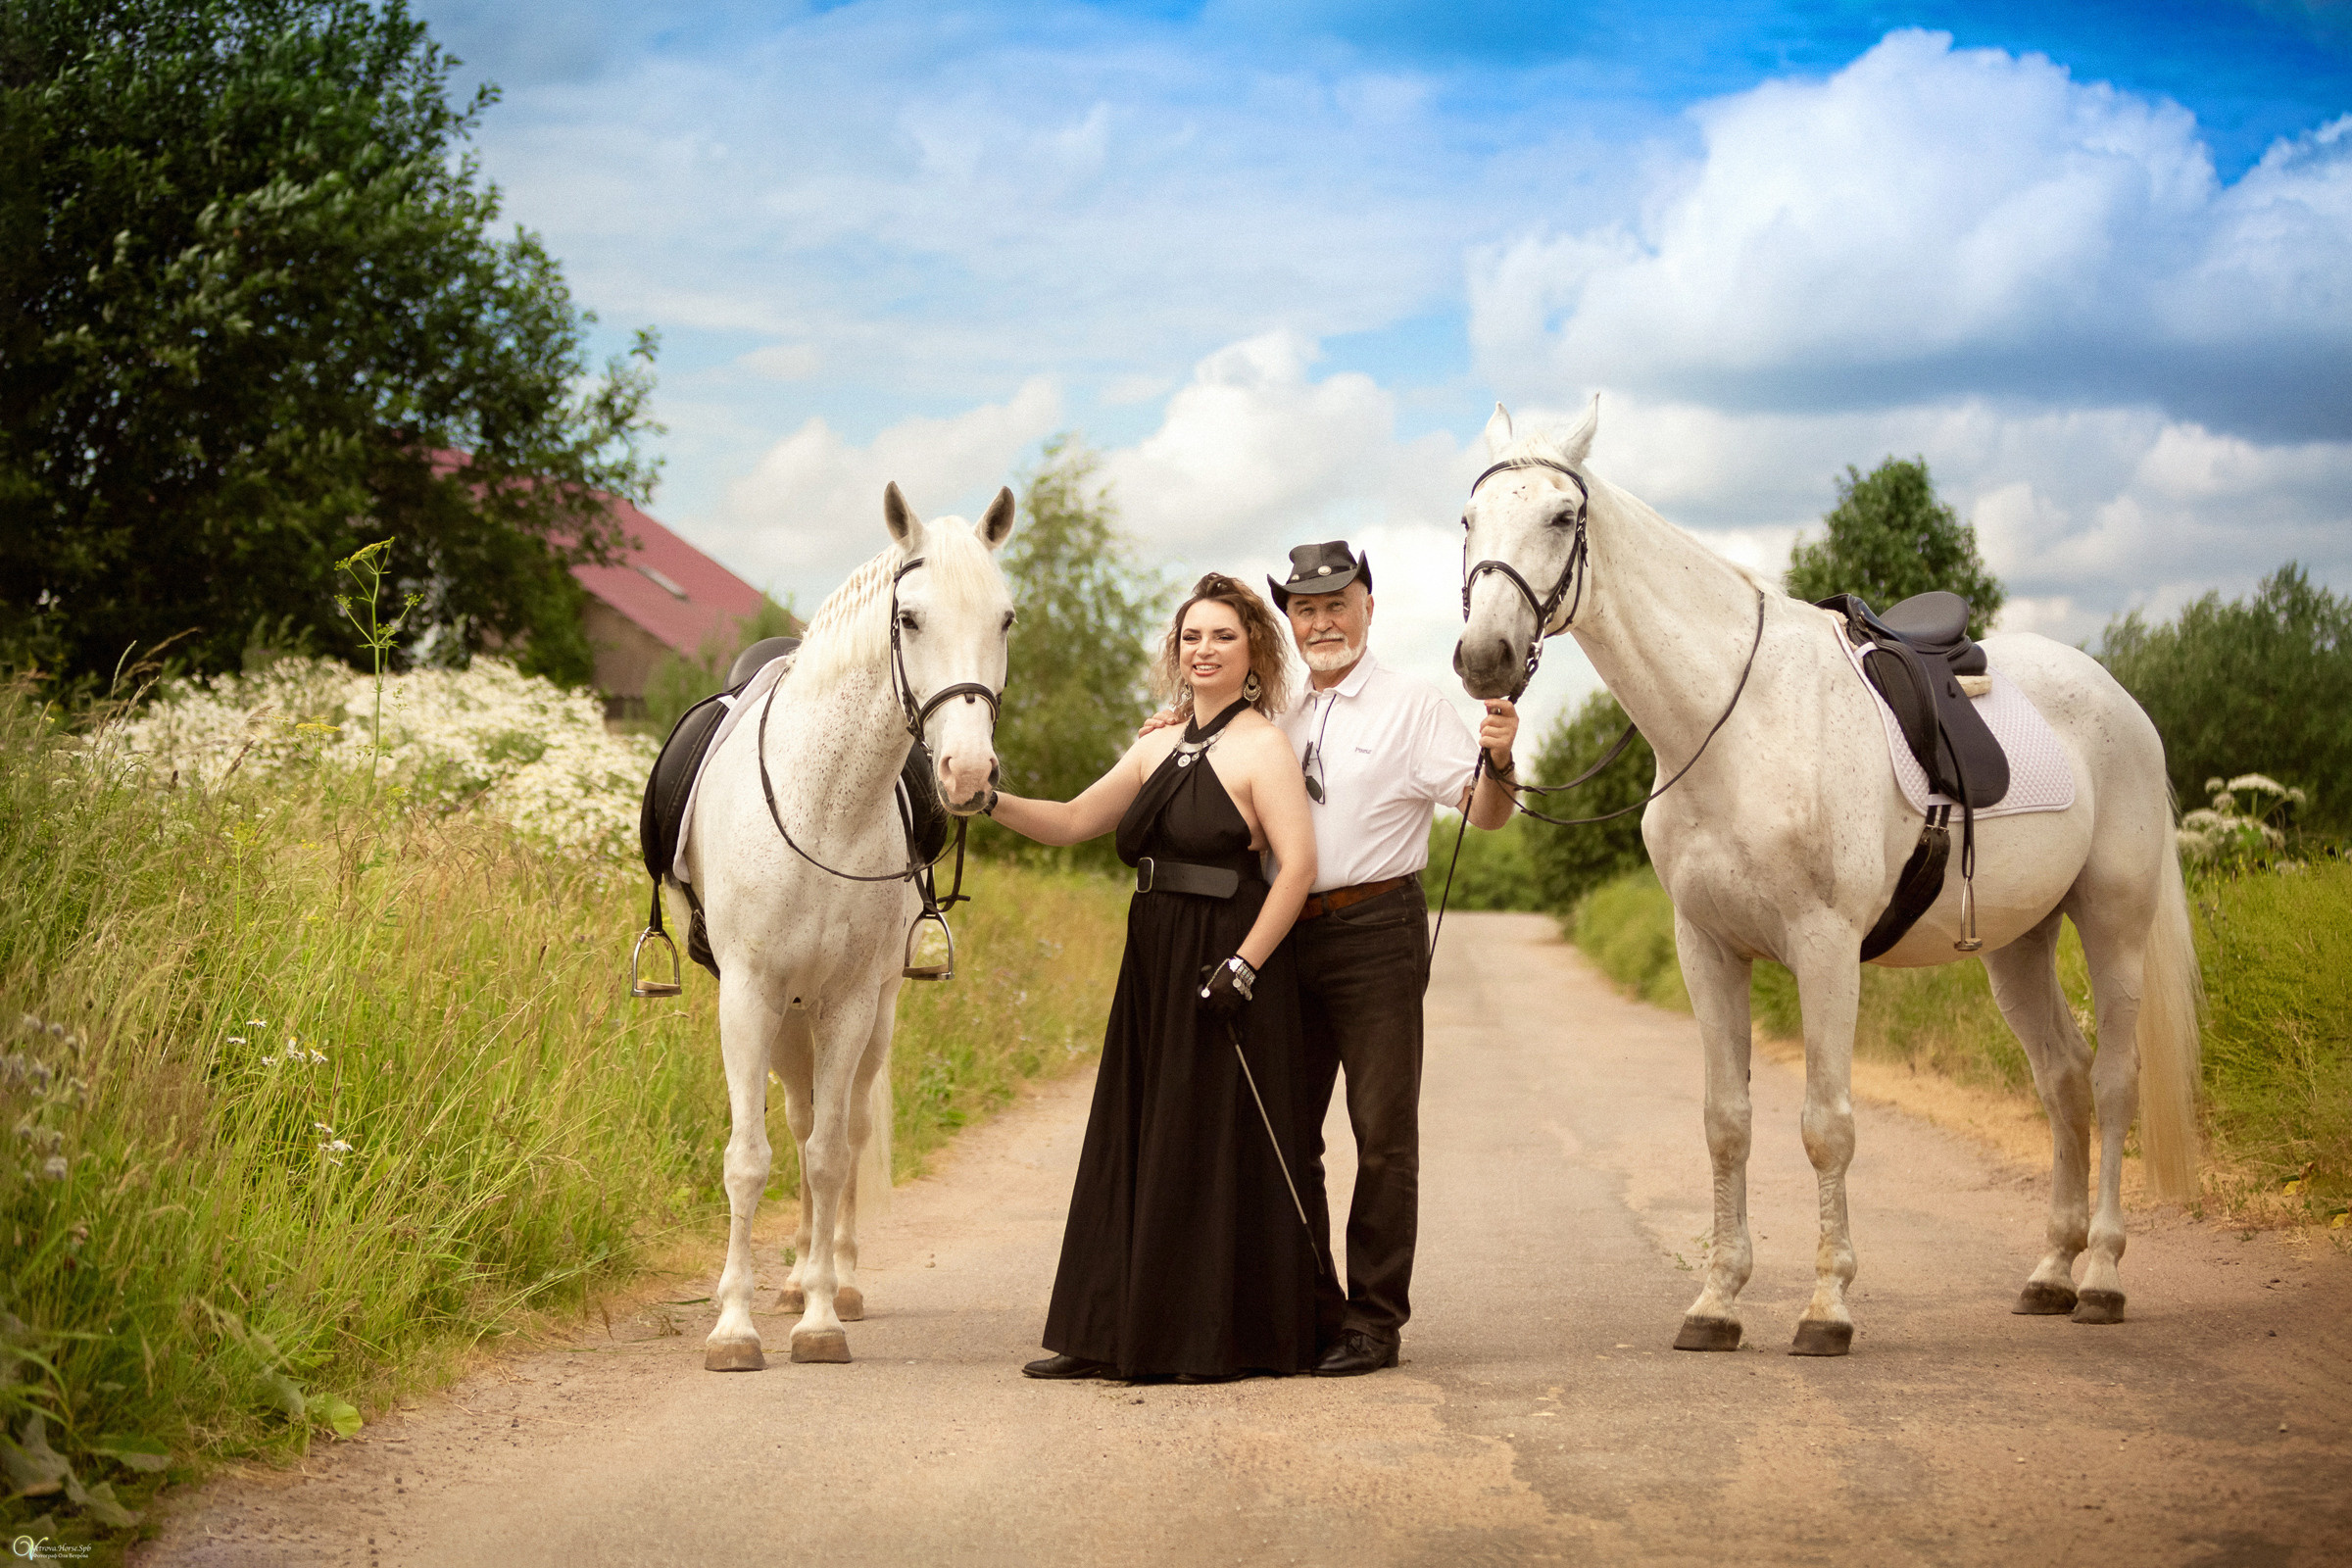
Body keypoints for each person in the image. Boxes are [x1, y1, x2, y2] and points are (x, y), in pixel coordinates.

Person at [1152, 541, 1520, 1375]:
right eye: (1306, 609)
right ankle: (1314, 1308)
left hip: (1376, 930)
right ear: (1289, 619)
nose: (1322, 622)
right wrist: (1172, 727)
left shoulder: (1414, 705)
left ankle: (1375, 1320)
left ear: (1367, 608)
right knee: (1287, 1132)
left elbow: (1487, 814)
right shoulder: (1271, 714)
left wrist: (1497, 758)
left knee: (1382, 1136)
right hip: (1280, 935)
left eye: (1337, 604)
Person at [989, 573, 1324, 1382]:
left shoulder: (1263, 746)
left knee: (1206, 1147)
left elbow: (1297, 868)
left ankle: (1205, 1337)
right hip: (1151, 958)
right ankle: (1108, 1329)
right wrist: (984, 799)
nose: (1203, 649)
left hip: (1225, 960)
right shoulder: (1155, 744)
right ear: (1175, 651)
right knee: (1136, 1132)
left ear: (1253, 656)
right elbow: (1072, 821)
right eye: (1191, 637)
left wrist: (1245, 965)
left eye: (1222, 637)